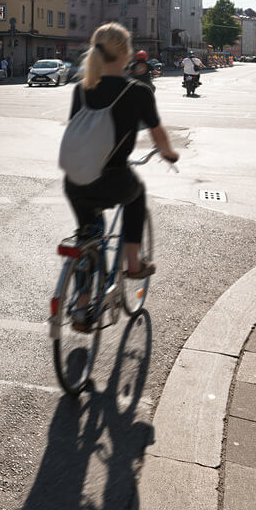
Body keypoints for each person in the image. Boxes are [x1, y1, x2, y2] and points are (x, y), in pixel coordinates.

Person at [63, 23, 178, 329]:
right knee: (136, 193)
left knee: (89, 234)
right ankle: (133, 262)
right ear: (126, 54)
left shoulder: (81, 88)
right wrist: (169, 154)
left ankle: (83, 304)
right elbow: (157, 133)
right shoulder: (137, 91)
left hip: (75, 180)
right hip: (112, 178)